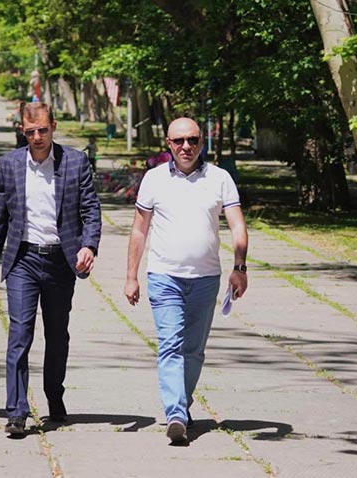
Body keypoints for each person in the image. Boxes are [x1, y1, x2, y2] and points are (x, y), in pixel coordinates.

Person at [123, 117, 248, 445]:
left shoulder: (220, 178)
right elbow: (139, 230)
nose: (186, 146)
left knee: (193, 351)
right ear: (168, 144)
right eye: (179, 141)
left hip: (205, 279)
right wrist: (131, 276)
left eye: (192, 140)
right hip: (164, 277)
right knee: (170, 345)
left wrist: (240, 267)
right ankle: (176, 413)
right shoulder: (154, 179)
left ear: (201, 142)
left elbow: (237, 225)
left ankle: (182, 403)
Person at [0, 102, 102, 437]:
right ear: (22, 130)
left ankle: (54, 395)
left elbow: (91, 209)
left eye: (43, 130)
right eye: (31, 131)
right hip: (23, 259)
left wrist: (89, 246)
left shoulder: (75, 162)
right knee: (19, 334)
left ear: (53, 127)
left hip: (61, 260)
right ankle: (17, 411)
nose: (37, 137)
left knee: (57, 334)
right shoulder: (9, 164)